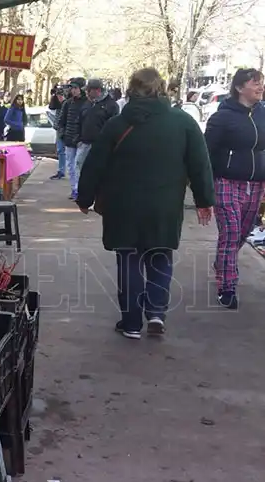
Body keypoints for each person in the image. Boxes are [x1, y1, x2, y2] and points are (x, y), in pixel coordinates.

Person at [76, 67, 215, 339]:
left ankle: (130, 323)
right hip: (165, 205)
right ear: (161, 88)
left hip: (123, 207)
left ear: (131, 88)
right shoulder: (183, 122)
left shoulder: (117, 124)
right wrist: (204, 200)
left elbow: (95, 165)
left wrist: (85, 197)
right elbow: (200, 165)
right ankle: (156, 313)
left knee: (129, 260)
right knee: (161, 258)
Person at [204, 68, 265, 309]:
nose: (260, 87)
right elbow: (205, 151)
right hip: (227, 181)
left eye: (261, 83)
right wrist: (203, 185)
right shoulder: (223, 117)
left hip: (257, 183)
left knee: (243, 231)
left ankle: (223, 263)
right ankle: (227, 286)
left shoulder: (263, 114)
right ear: (240, 88)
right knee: (229, 233)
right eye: (255, 83)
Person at [75, 79, 120, 178]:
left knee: (98, 171)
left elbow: (114, 127)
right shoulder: (87, 103)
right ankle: (80, 191)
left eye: (88, 90)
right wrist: (78, 139)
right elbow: (79, 121)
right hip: (84, 143)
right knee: (79, 167)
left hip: (100, 145)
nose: (86, 93)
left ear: (97, 90)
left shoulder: (111, 105)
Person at [57, 78, 89, 199]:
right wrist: (62, 133)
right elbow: (61, 121)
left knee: (79, 164)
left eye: (76, 88)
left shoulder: (88, 103)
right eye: (72, 88)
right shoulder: (68, 103)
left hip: (82, 139)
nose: (73, 90)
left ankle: (81, 189)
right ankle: (74, 189)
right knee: (70, 165)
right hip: (69, 138)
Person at [48, 87, 67, 179]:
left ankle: (63, 169)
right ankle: (61, 170)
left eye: (61, 96)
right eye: (58, 96)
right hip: (59, 129)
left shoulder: (67, 104)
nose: (60, 98)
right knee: (60, 150)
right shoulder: (57, 104)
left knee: (66, 151)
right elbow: (51, 107)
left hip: (66, 129)